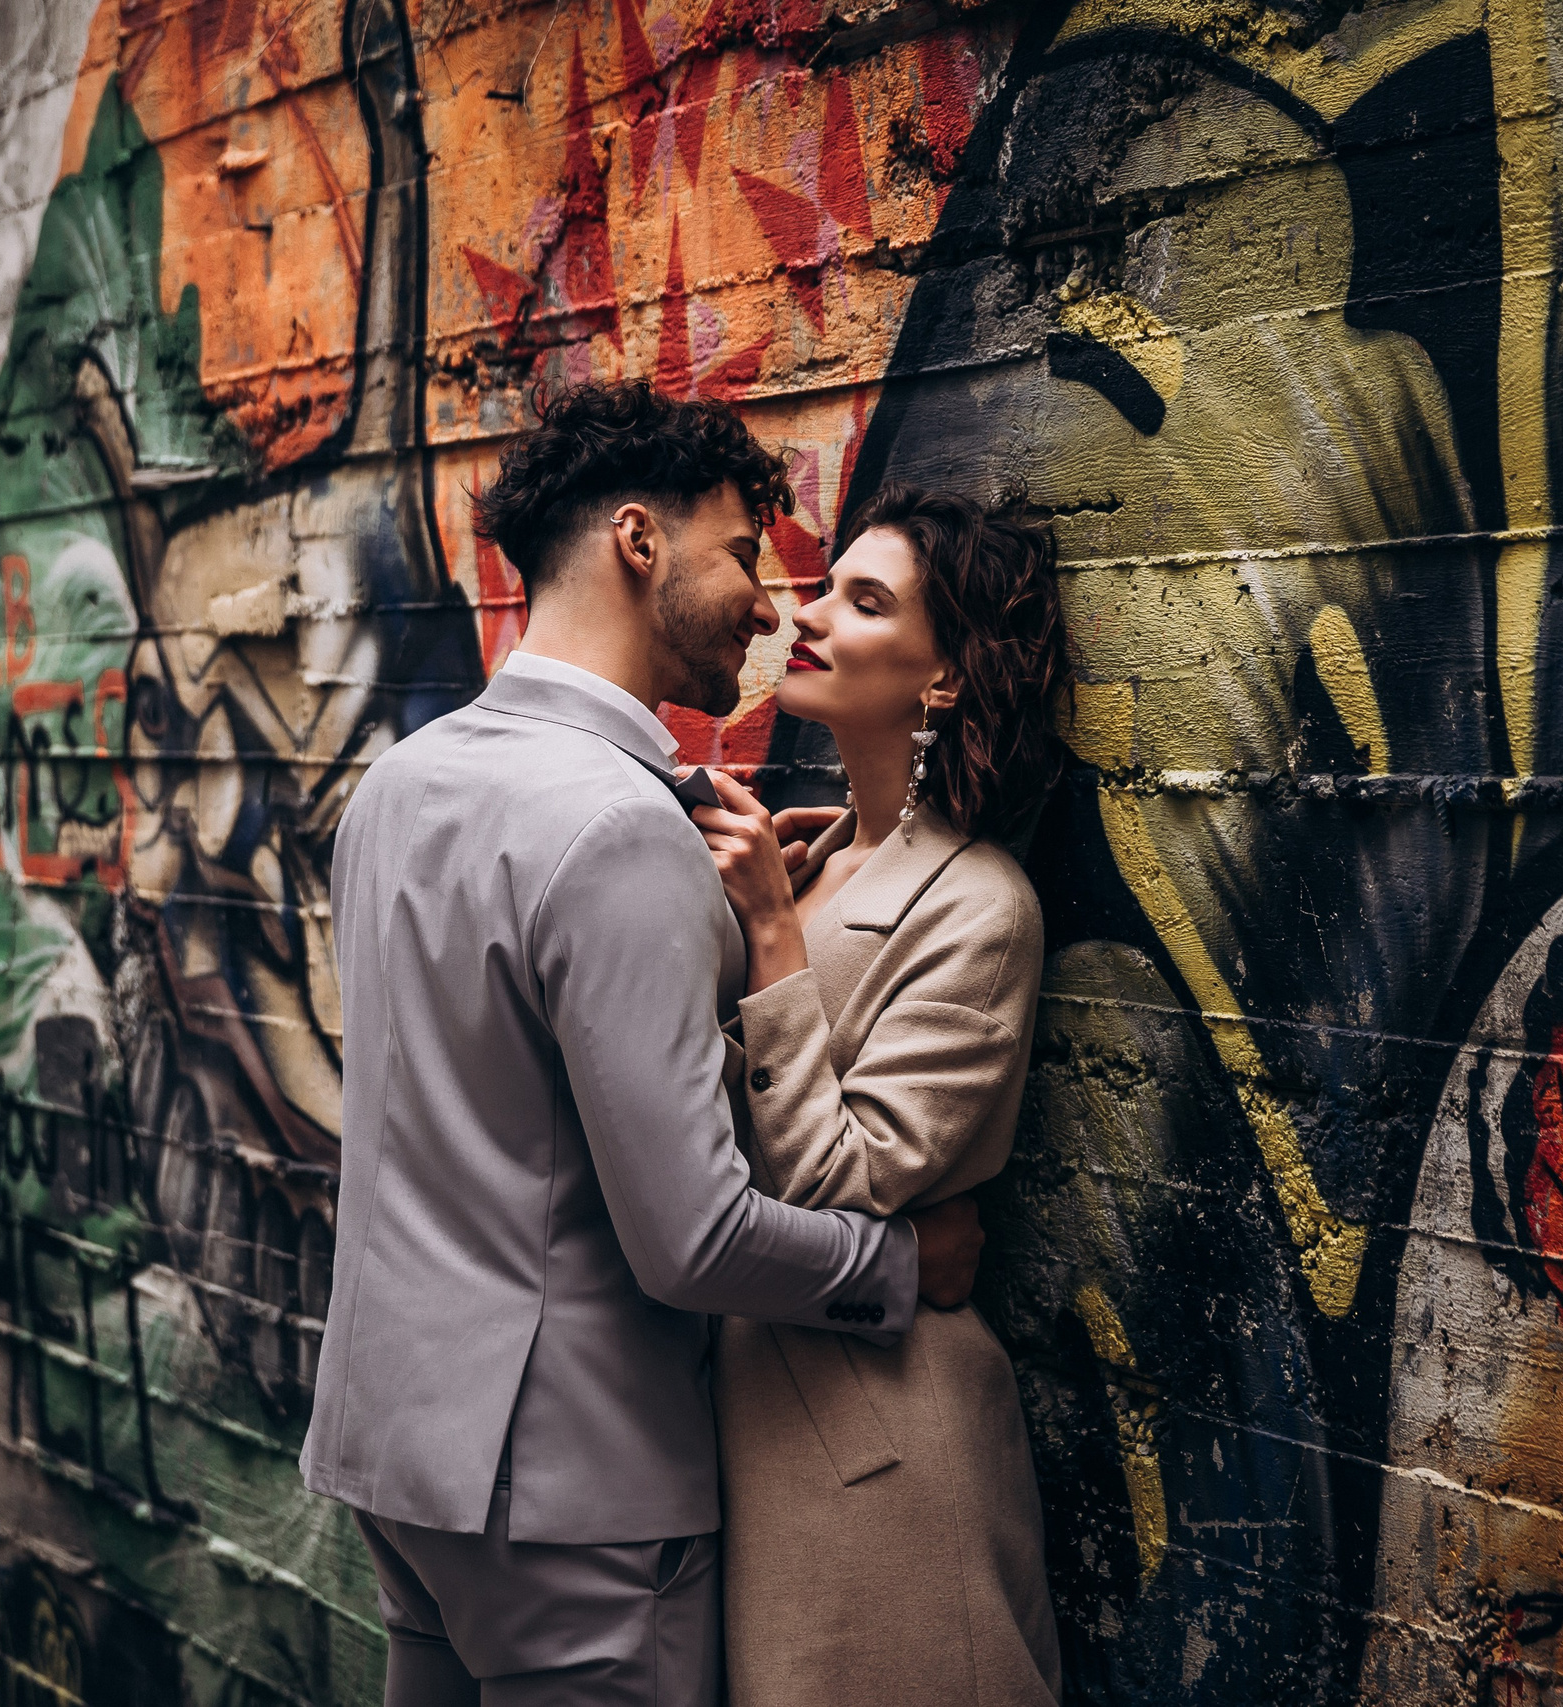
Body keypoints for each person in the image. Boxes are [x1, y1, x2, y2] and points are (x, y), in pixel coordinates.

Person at [300, 384, 987, 1706]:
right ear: (637, 541)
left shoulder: (398, 784)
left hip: (398, 1465)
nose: (766, 599)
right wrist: (902, 1262)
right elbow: (696, 1241)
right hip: (573, 1500)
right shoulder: (621, 832)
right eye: (742, 550)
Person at [691, 483, 1070, 1706]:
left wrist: (770, 937)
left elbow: (846, 1185)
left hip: (881, 1454)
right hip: (762, 1422)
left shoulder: (979, 906)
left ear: (943, 678)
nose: (804, 616)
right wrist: (780, 909)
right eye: (825, 586)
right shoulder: (819, 866)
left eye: (861, 602)